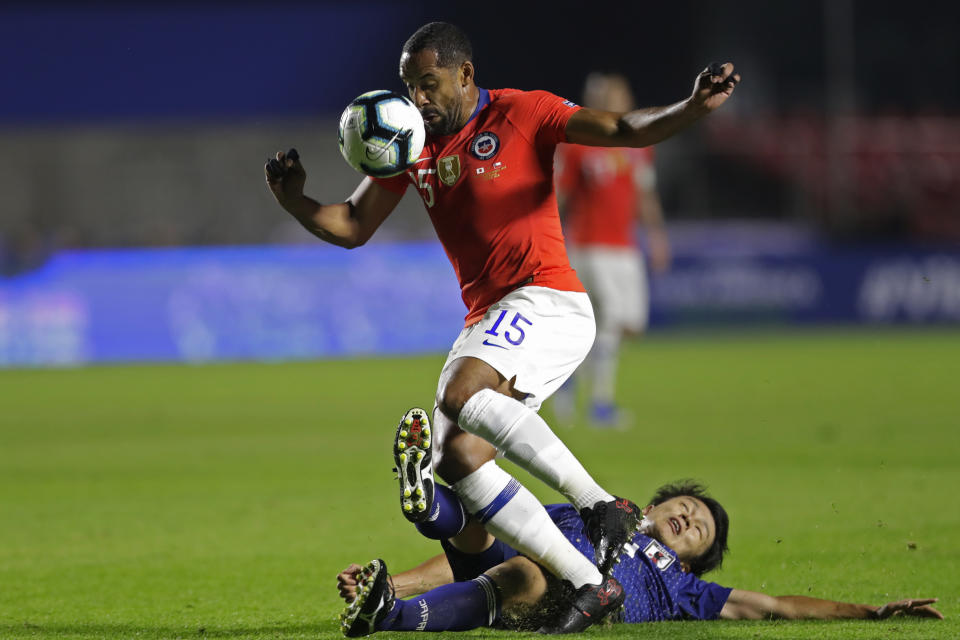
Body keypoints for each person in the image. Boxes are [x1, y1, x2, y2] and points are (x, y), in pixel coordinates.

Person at [265, 21, 740, 632]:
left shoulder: (524, 113)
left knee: (458, 394)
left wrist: (693, 106)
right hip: (491, 315)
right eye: (409, 87)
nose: (418, 100)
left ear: (465, 74)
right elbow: (353, 225)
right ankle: (590, 582)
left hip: (547, 298)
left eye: (429, 84)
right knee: (455, 459)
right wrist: (295, 201)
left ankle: (600, 503)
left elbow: (623, 130)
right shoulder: (409, 143)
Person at [336, 474, 942, 636]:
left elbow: (775, 605)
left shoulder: (682, 586)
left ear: (692, 558)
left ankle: (389, 612)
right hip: (509, 565)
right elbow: (484, 556)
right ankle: (425, 517)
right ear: (658, 502)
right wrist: (399, 582)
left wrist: (870, 613)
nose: (689, 519)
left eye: (698, 531)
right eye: (687, 508)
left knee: (522, 569)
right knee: (484, 528)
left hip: (567, 602)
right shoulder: (588, 512)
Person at [552, 72, 671, 428]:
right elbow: (560, 195)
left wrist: (657, 235)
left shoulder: (638, 144)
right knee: (612, 318)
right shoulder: (577, 145)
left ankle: (569, 374)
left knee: (631, 325)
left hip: (626, 246)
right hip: (590, 246)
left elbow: (645, 193)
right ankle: (600, 405)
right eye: (612, 96)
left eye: (622, 95)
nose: (619, 101)